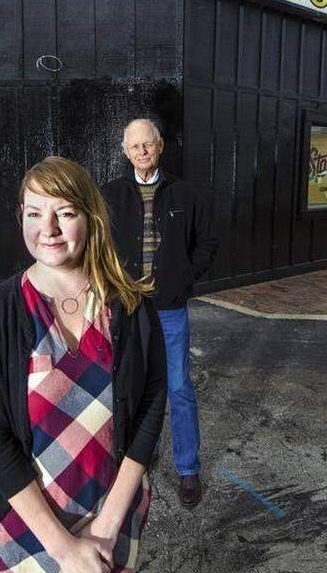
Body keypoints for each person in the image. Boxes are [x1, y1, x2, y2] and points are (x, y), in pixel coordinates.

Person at [0, 156, 166, 573]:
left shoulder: (130, 306)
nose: (48, 229)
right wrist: (64, 549)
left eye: (65, 213)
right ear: (21, 217)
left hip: (112, 512)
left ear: (90, 217)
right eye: (34, 213)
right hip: (26, 524)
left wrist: (107, 526)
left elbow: (150, 406)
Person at [101, 119, 218, 507]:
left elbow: (207, 243)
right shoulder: (111, 195)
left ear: (160, 146)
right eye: (134, 147)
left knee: (179, 387)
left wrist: (185, 279)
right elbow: (96, 246)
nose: (142, 152)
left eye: (148, 145)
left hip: (168, 307)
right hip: (128, 308)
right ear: (125, 151)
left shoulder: (185, 194)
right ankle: (134, 460)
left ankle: (187, 469)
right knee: (129, 386)